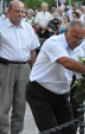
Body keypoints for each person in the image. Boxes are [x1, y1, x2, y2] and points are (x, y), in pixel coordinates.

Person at [25, 19, 85, 134]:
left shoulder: (79, 49)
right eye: (75, 38)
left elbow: (82, 77)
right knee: (51, 132)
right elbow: (67, 63)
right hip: (40, 93)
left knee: (70, 131)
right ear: (66, 32)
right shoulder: (53, 42)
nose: (78, 42)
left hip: (61, 96)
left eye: (81, 39)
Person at [0, 0, 40, 134]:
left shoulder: (28, 28)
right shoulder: (0, 26)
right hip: (5, 68)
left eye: (22, 11)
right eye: (17, 11)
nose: (20, 14)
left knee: (20, 107)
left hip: (25, 69)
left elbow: (33, 51)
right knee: (3, 107)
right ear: (8, 11)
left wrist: (35, 73)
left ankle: (16, 132)